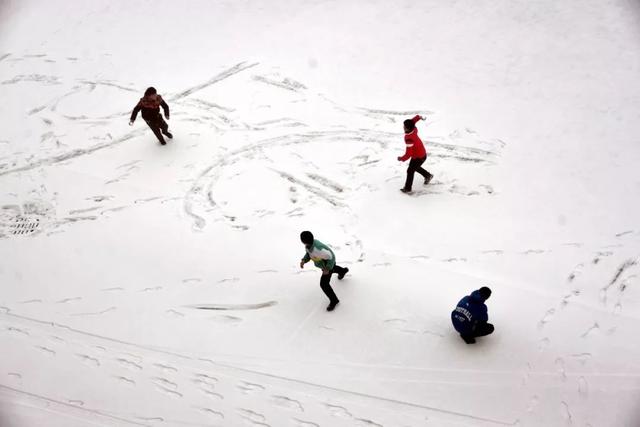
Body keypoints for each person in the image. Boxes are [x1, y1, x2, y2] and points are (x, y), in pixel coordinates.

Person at [299, 231, 349, 311]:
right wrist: (304, 260)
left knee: (324, 284)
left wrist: (327, 268)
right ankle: (342, 271)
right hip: (325, 264)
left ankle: (334, 300)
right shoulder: (309, 245)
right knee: (333, 269)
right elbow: (309, 254)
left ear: (303, 241)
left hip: (328, 264)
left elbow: (331, 257)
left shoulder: (317, 249)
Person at [397, 115, 433, 193]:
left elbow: (408, 154)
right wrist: (419, 117)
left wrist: (401, 158)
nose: (403, 127)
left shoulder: (409, 138)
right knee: (414, 167)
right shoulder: (414, 128)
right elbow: (413, 120)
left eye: (404, 126)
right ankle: (428, 176)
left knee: (410, 170)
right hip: (420, 153)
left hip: (419, 157)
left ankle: (407, 188)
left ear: (408, 128)